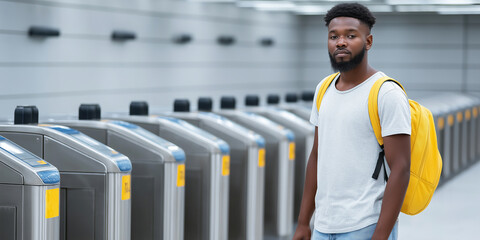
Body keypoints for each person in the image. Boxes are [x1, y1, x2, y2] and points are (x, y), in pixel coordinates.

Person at [293, 3, 411, 240]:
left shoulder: (386, 93)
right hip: (323, 226)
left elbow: (401, 167)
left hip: (365, 225)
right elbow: (317, 155)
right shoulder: (323, 88)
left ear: (368, 42)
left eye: (350, 35)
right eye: (333, 36)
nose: (340, 42)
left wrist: (381, 234)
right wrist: (304, 221)